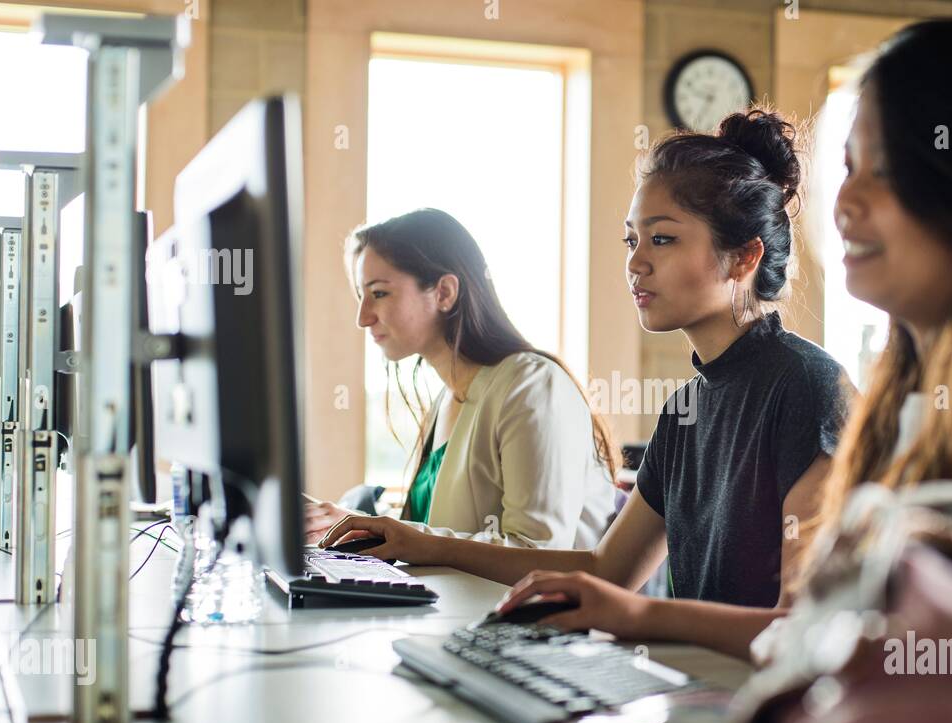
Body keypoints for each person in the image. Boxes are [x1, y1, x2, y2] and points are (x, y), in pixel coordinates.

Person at [488, 18, 952, 653]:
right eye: (850, 169)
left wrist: (643, 618)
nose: (846, 204)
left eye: (887, 172)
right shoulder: (915, 398)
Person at [321, 110, 852, 658]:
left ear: (743, 257)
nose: (636, 263)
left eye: (662, 239)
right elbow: (605, 570)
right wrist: (418, 541)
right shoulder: (686, 408)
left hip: (770, 717)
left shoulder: (809, 389)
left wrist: (639, 615)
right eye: (630, 241)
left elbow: (804, 628)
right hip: (697, 692)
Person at [305, 208, 619, 549]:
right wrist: (357, 526)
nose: (363, 318)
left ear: (444, 293)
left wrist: (391, 533)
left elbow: (538, 549)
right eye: (361, 296)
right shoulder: (446, 400)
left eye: (379, 293)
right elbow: (435, 535)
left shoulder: (532, 385)